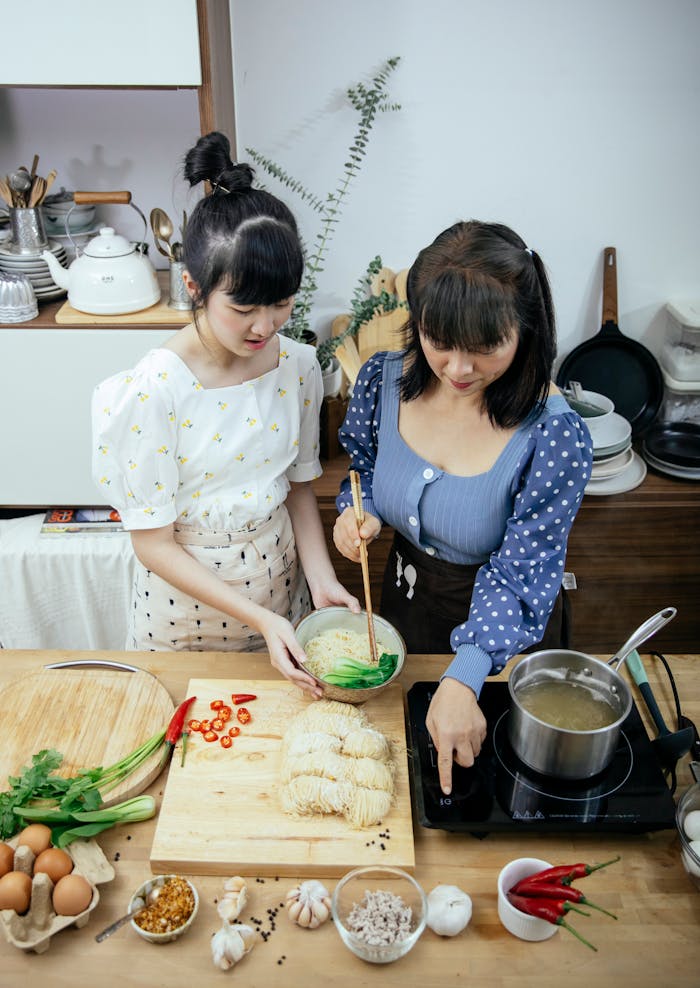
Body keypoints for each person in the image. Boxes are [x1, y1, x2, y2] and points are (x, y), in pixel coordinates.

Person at [92, 131, 358, 694]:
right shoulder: (154, 391)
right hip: (183, 618)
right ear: (194, 286)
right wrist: (257, 617)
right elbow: (152, 543)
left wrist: (321, 577)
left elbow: (298, 485)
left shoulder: (300, 366)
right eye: (243, 308)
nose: (265, 326)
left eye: (282, 303)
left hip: (282, 593)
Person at [333, 220, 592, 792]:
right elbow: (363, 469)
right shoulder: (384, 380)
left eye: (484, 349)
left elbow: (523, 569)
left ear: (526, 330)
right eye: (439, 342)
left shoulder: (553, 436)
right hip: (405, 610)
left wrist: (467, 674)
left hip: (502, 634)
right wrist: (358, 513)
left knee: (489, 785)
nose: (457, 370)